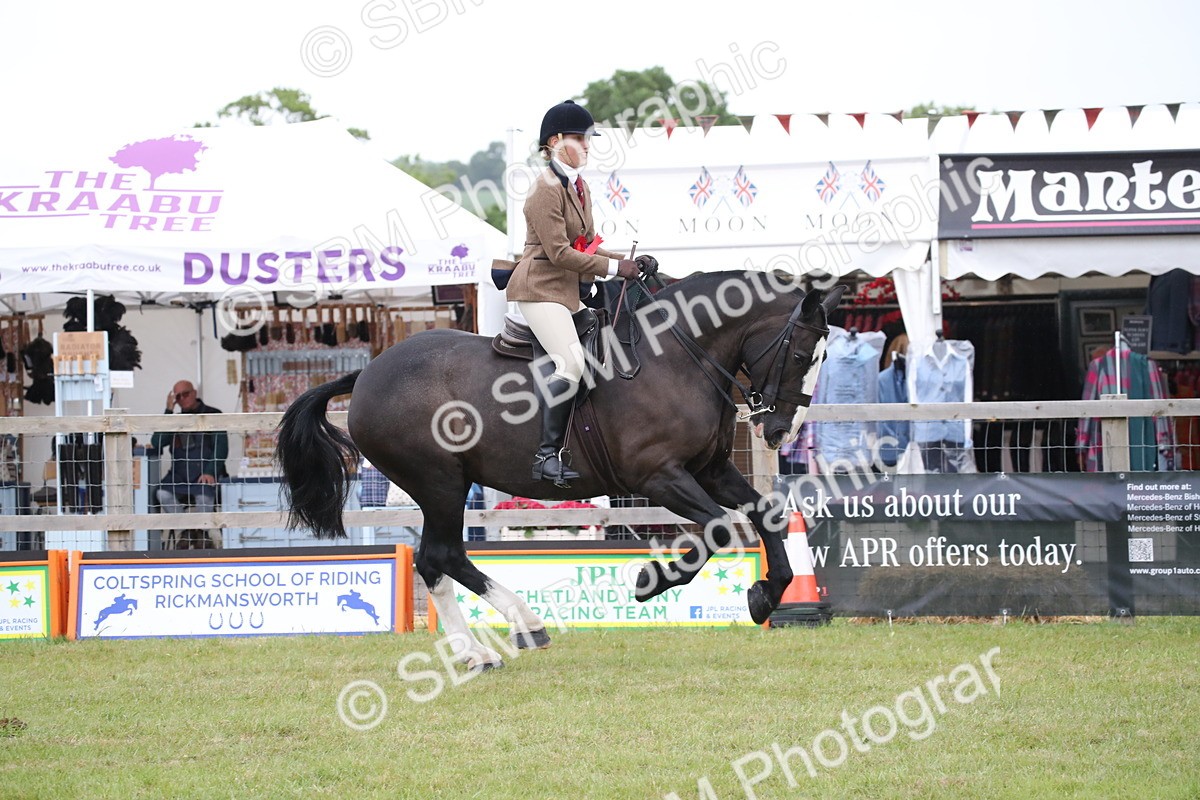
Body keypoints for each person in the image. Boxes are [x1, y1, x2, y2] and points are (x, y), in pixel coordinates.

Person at [506, 99, 657, 486]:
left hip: (566, 293)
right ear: (556, 142)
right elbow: (560, 253)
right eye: (580, 138)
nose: (588, 145)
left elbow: (587, 246)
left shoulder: (579, 187)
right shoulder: (545, 190)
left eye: (589, 138)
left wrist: (631, 263)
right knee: (571, 363)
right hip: (539, 288)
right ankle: (545, 456)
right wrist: (615, 269)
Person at [149, 380, 228, 544]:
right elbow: (157, 442)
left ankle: (203, 533)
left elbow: (221, 448)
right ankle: (186, 530)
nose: (182, 399)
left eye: (185, 394)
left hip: (204, 475)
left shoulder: (213, 414)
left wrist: (211, 471)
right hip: (179, 476)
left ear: (194, 393)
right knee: (162, 493)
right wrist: (168, 411)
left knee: (204, 497)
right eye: (178, 397)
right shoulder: (175, 420)